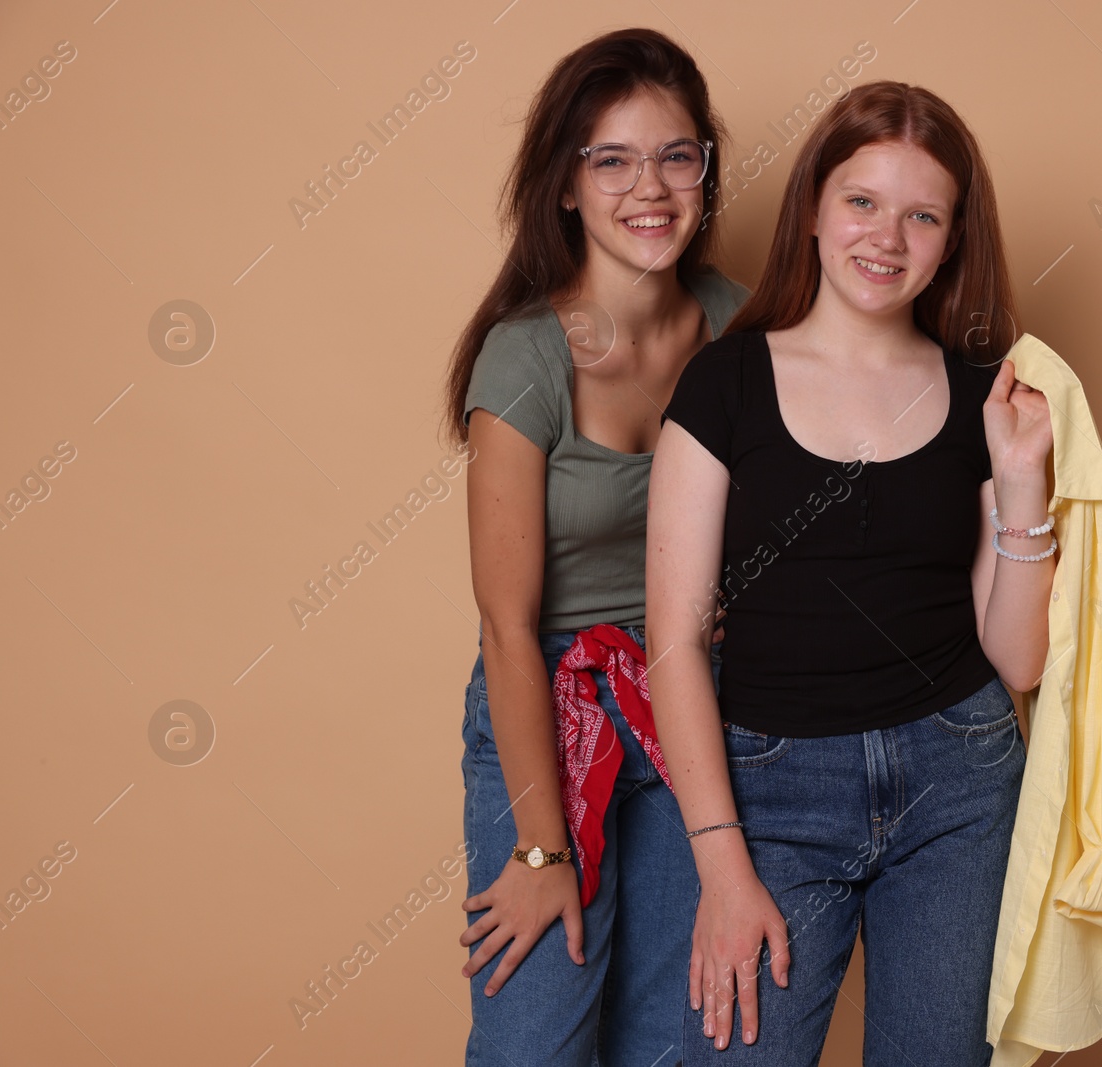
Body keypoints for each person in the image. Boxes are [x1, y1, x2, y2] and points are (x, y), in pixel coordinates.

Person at [645, 80, 1058, 1065]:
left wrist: (1020, 481)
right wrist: (720, 862)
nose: (889, 235)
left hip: (958, 778)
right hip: (772, 791)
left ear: (953, 238)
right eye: (863, 201)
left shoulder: (981, 392)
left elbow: (1018, 659)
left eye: (924, 214)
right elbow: (671, 642)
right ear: (815, 212)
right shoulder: (725, 381)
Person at [441, 27, 747, 1067]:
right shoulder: (525, 356)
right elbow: (507, 623)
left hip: (694, 706)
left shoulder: (744, 327)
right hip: (552, 705)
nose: (648, 187)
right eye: (610, 159)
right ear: (565, 187)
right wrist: (538, 843)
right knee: (537, 1039)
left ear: (706, 168)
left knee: (681, 1036)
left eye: (675, 155)